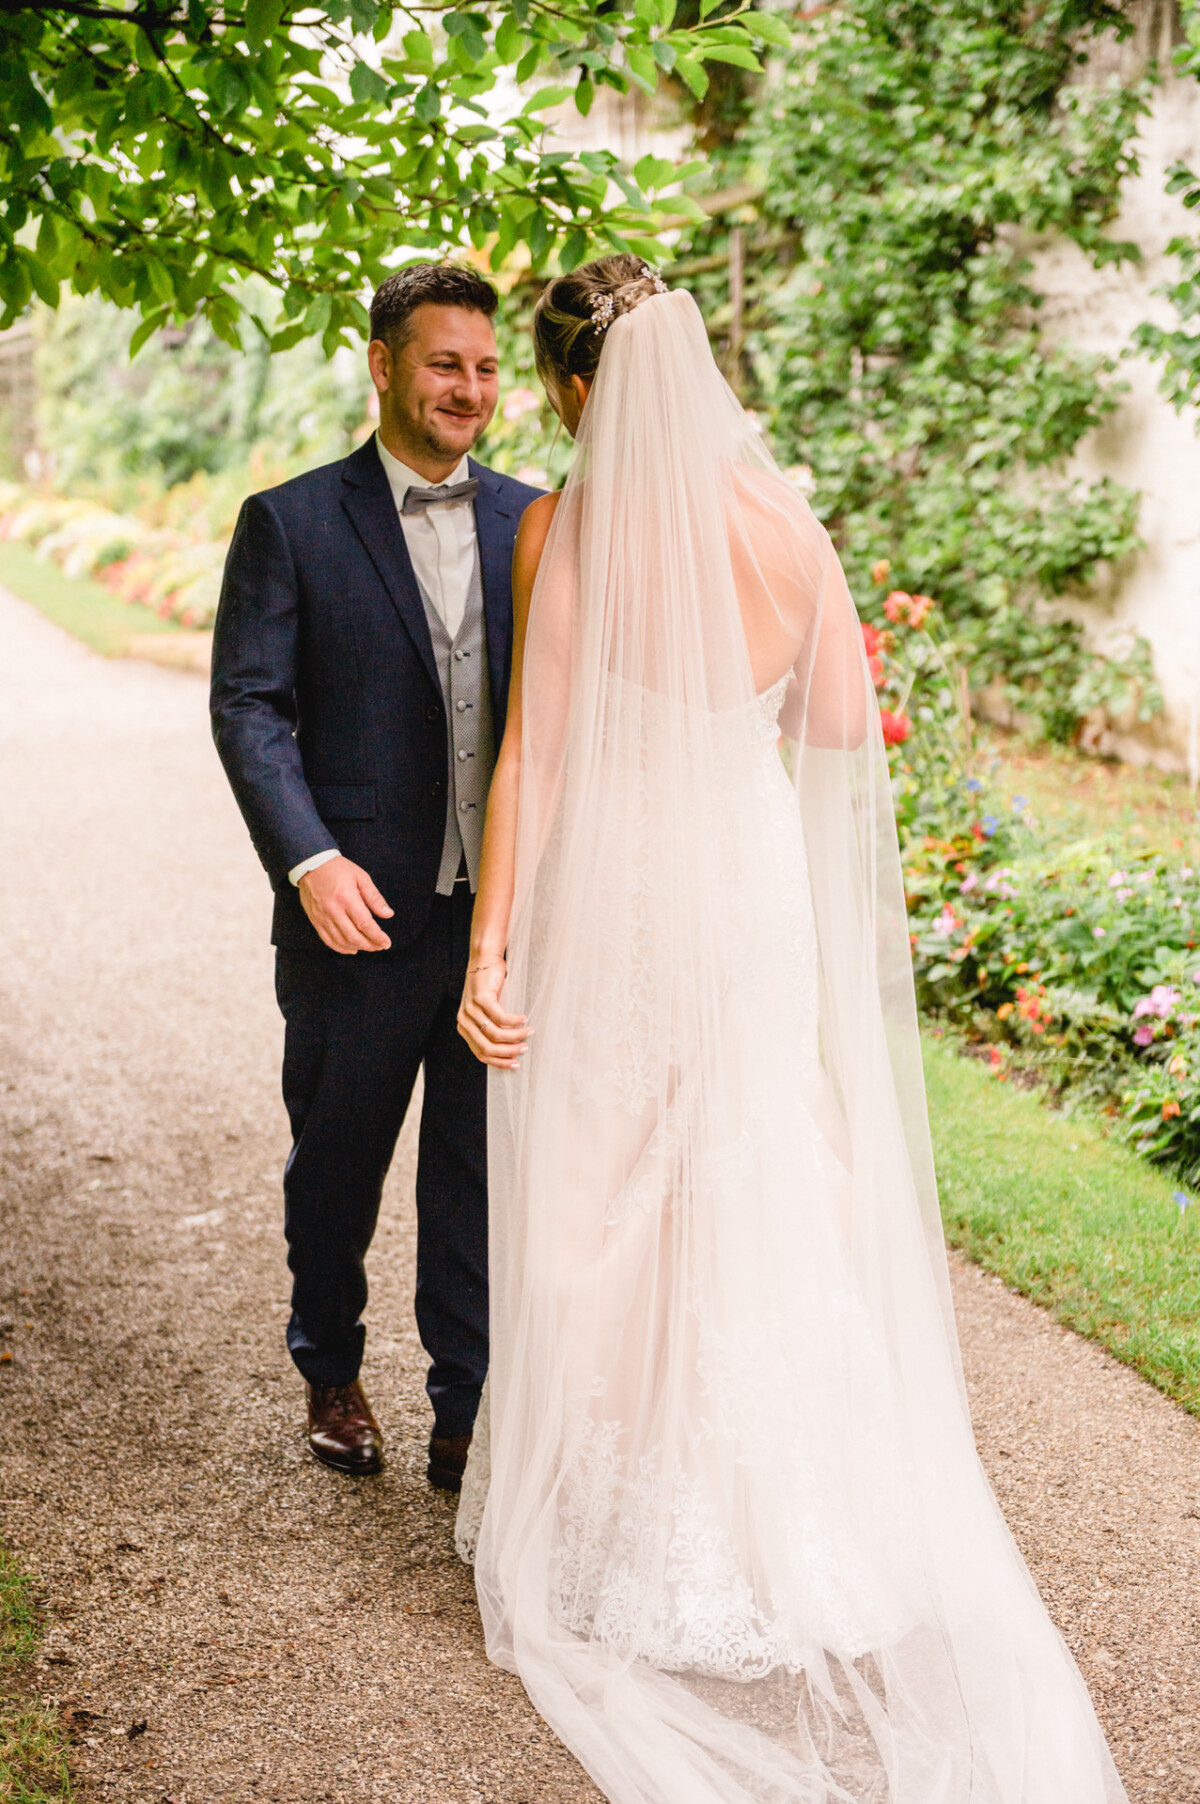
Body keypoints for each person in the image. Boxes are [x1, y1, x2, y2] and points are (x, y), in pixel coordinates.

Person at [453, 256, 1129, 1803]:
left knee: (600, 1192)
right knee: (755, 1166)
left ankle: (615, 1525)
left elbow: (534, 757)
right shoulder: (788, 525)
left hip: (623, 890)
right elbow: (836, 726)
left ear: (573, 388)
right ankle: (791, 1519)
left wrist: (491, 944)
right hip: (745, 889)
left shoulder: (567, 527)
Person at [210, 263, 541, 1486]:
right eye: (446, 362)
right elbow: (249, 707)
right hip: (354, 917)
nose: (469, 388)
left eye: (487, 367)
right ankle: (331, 1365)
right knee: (337, 1164)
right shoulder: (289, 521)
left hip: (500, 920)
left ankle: (465, 1406)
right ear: (384, 363)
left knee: (478, 1174)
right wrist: (310, 859)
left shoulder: (537, 523)